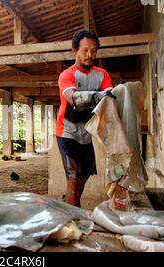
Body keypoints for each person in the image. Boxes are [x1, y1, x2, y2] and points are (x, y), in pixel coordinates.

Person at [56, 30, 115, 207]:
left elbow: (110, 99)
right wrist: (103, 95)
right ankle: (75, 218)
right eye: (85, 50)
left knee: (84, 174)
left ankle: (71, 203)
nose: (90, 55)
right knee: (73, 176)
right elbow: (73, 98)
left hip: (86, 132)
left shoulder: (102, 74)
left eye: (94, 51)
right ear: (74, 51)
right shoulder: (67, 75)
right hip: (67, 131)